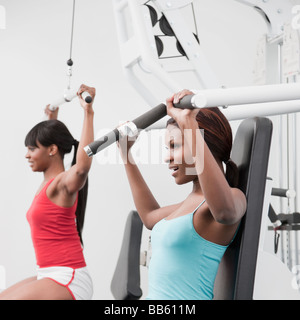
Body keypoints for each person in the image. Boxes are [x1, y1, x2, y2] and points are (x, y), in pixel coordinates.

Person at [118, 89, 247, 300]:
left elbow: (225, 212)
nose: (167, 158)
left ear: (202, 142)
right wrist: (126, 153)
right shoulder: (191, 203)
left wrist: (189, 124)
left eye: (174, 146)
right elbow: (150, 216)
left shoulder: (230, 199)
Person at [0, 84, 95, 300]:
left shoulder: (62, 184)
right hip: (47, 273)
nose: (27, 155)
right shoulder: (47, 183)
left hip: (68, 277)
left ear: (52, 150)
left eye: (32, 149)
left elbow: (81, 167)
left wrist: (88, 112)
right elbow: (53, 141)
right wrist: (52, 119)